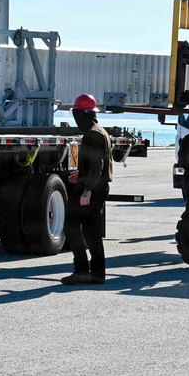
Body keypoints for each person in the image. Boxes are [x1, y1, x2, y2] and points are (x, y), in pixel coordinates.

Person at [61, 93, 113, 285]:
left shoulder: (93, 135)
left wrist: (87, 189)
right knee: (92, 231)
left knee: (71, 225)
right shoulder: (100, 131)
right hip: (98, 186)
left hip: (94, 189)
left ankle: (82, 271)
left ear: (82, 114)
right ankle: (97, 273)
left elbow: (97, 165)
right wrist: (80, 176)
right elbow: (95, 165)